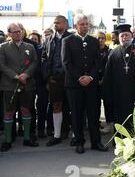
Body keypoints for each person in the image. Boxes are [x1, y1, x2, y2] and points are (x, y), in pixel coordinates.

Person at [62, 14, 107, 154]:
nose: (85, 26)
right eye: (81, 24)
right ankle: (79, 142)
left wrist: (91, 77)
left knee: (93, 114)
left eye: (86, 24)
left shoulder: (94, 41)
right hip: (74, 85)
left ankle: (96, 142)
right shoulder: (67, 41)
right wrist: (80, 78)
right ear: (76, 26)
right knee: (76, 114)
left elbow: (97, 62)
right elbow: (66, 63)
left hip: (91, 84)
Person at [103, 24, 135, 130]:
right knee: (119, 118)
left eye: (126, 35)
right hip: (118, 94)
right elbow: (107, 74)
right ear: (119, 37)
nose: (124, 37)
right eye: (122, 36)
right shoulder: (113, 53)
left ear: (131, 36)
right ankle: (119, 141)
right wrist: (107, 93)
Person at [0, 23, 39, 151]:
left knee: (26, 110)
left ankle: (27, 138)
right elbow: (2, 65)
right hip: (9, 86)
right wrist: (15, 76)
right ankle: (7, 140)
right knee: (8, 112)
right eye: (15, 32)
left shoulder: (30, 47)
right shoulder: (3, 47)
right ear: (9, 34)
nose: (18, 33)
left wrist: (26, 74)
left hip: (27, 85)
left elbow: (34, 62)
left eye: (20, 31)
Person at [42, 15, 72, 146]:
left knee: (72, 106)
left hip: (70, 78)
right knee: (56, 106)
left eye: (58, 23)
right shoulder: (49, 39)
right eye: (54, 23)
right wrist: (47, 77)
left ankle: (74, 135)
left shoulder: (72, 38)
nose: (55, 25)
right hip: (54, 79)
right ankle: (57, 135)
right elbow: (44, 58)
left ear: (65, 24)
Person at [96, 31, 113, 134]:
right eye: (99, 38)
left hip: (106, 82)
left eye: (102, 38)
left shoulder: (109, 51)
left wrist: (104, 79)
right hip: (94, 81)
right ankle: (95, 123)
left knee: (108, 104)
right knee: (95, 104)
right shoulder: (92, 50)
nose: (100, 40)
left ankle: (109, 124)